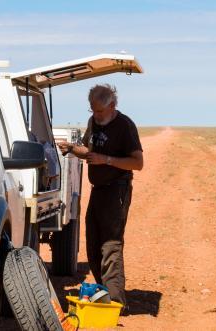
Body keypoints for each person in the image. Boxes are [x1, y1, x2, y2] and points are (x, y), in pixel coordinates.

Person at [58, 84, 143, 311]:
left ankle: (116, 302)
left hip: (117, 190)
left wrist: (107, 160)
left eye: (99, 111)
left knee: (110, 245)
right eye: (92, 111)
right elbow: (88, 150)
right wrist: (72, 149)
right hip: (98, 190)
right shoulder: (94, 122)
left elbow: (138, 163)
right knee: (94, 242)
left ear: (112, 105)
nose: (96, 116)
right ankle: (103, 294)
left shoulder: (125, 126)